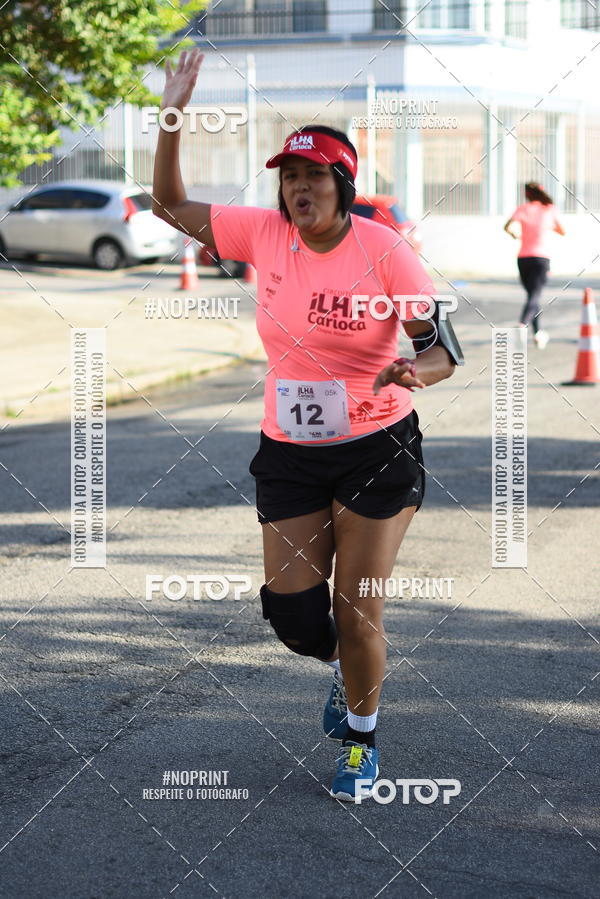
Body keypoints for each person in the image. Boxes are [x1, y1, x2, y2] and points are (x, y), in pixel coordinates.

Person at [152, 49, 463, 802]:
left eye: (313, 175)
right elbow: (166, 205)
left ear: (342, 185)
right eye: (288, 177)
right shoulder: (261, 234)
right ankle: (342, 668)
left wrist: (413, 373)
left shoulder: (383, 251)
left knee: (358, 607)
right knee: (294, 613)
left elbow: (443, 349)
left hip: (376, 447)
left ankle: (362, 739)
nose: (298, 188)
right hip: (290, 451)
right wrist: (172, 113)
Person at [504, 182, 565, 349]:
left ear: (528, 194)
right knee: (535, 296)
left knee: (532, 296)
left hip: (523, 258)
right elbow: (562, 230)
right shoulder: (549, 209)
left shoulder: (523, 208)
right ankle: (522, 324)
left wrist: (515, 235)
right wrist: (547, 227)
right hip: (541, 258)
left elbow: (507, 227)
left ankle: (538, 333)